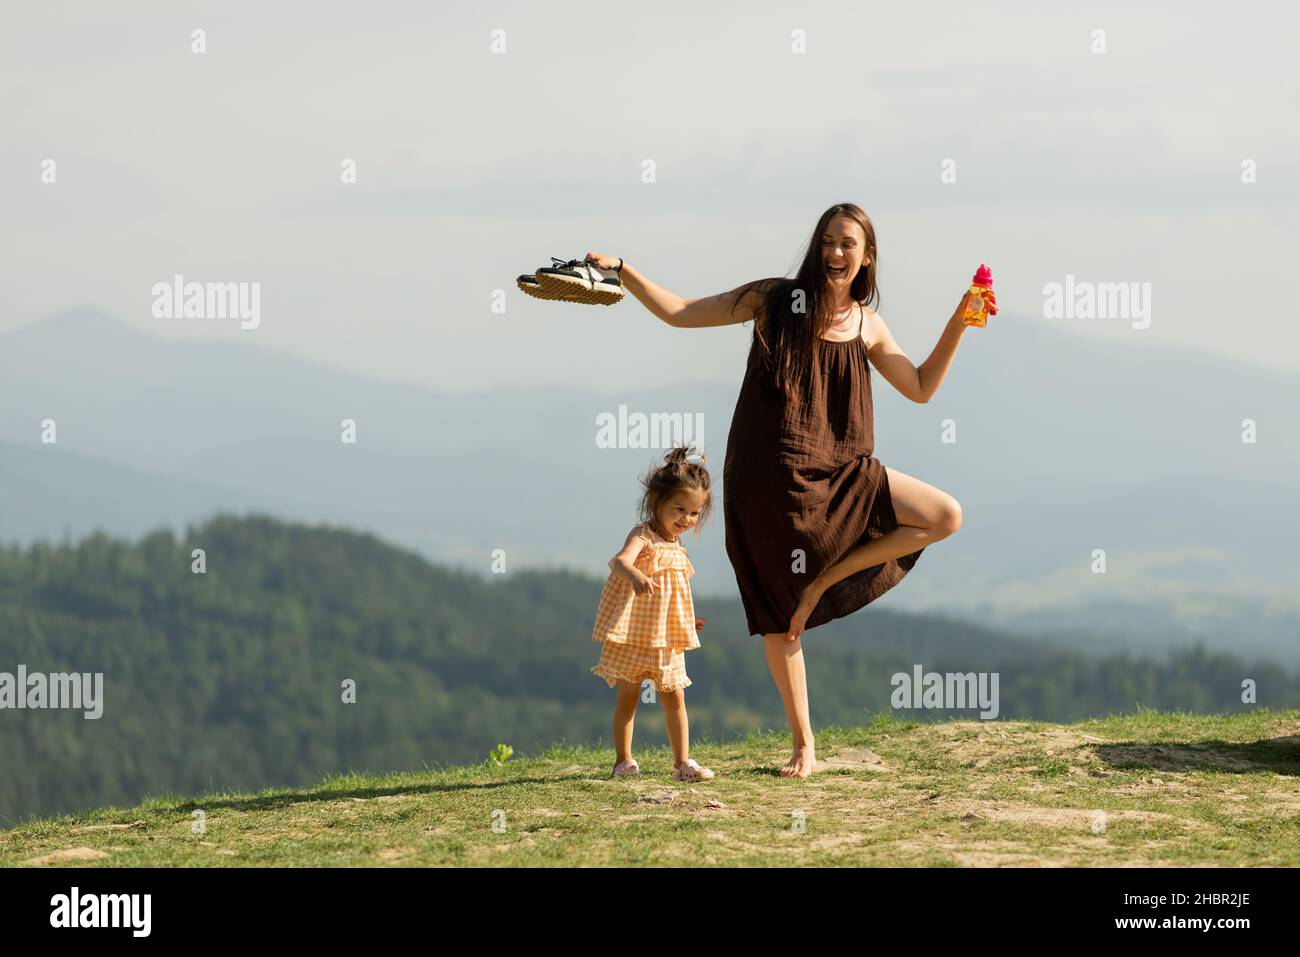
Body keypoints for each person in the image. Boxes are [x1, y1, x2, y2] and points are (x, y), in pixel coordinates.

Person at [585, 202, 996, 779]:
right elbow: (679, 313)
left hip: (844, 473)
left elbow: (923, 388)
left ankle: (823, 581)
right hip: (768, 479)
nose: (834, 252)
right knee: (781, 619)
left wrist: (960, 319)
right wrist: (623, 270)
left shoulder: (867, 326)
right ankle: (805, 744)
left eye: (847, 243)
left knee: (943, 514)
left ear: (867, 256)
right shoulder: (773, 300)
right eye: (827, 240)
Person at [590, 444, 715, 781]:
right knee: (628, 699)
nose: (686, 519)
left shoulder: (677, 546)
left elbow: (673, 596)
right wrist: (636, 575)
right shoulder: (643, 535)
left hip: (666, 639)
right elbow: (618, 561)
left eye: (694, 513)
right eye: (679, 509)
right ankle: (623, 761)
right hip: (633, 636)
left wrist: (688, 622)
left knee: (675, 697)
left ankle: (682, 763)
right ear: (656, 502)